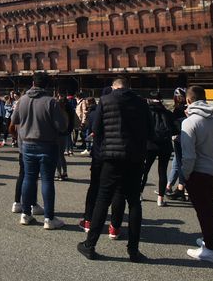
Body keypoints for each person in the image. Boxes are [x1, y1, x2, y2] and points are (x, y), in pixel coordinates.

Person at [77, 77, 151, 262]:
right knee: (134, 202)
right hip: (134, 157)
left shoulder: (106, 100)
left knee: (103, 199)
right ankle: (133, 250)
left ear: (113, 87)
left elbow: (97, 129)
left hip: (111, 157)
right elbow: (150, 130)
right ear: (129, 87)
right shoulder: (142, 103)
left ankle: (90, 244)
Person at [11, 72, 68, 230]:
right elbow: (61, 126)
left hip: (27, 144)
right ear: (47, 85)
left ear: (33, 82)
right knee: (47, 180)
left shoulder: (22, 99)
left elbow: (14, 120)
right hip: (47, 144)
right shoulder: (50, 102)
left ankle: (26, 213)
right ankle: (49, 218)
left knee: (29, 178)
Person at [181, 86, 213, 263]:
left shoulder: (189, 122)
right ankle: (208, 240)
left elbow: (189, 156)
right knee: (209, 208)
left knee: (203, 211)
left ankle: (211, 250)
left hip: (199, 171)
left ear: (189, 101)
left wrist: (184, 174)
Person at [78, 87, 125, 236]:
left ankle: (88, 221)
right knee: (118, 190)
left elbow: (94, 130)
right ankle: (114, 226)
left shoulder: (95, 113)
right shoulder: (122, 111)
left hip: (99, 154)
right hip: (117, 154)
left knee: (95, 188)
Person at [140, 91, 178, 207]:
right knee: (162, 171)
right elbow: (176, 130)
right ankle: (160, 199)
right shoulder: (168, 113)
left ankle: (139, 193)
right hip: (165, 145)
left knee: (144, 170)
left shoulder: (146, 113)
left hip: (150, 144)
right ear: (161, 100)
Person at [166, 87, 188, 201]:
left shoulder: (178, 109)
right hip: (188, 137)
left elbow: (173, 124)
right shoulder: (188, 108)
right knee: (178, 163)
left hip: (179, 137)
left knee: (179, 163)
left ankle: (178, 187)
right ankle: (172, 186)